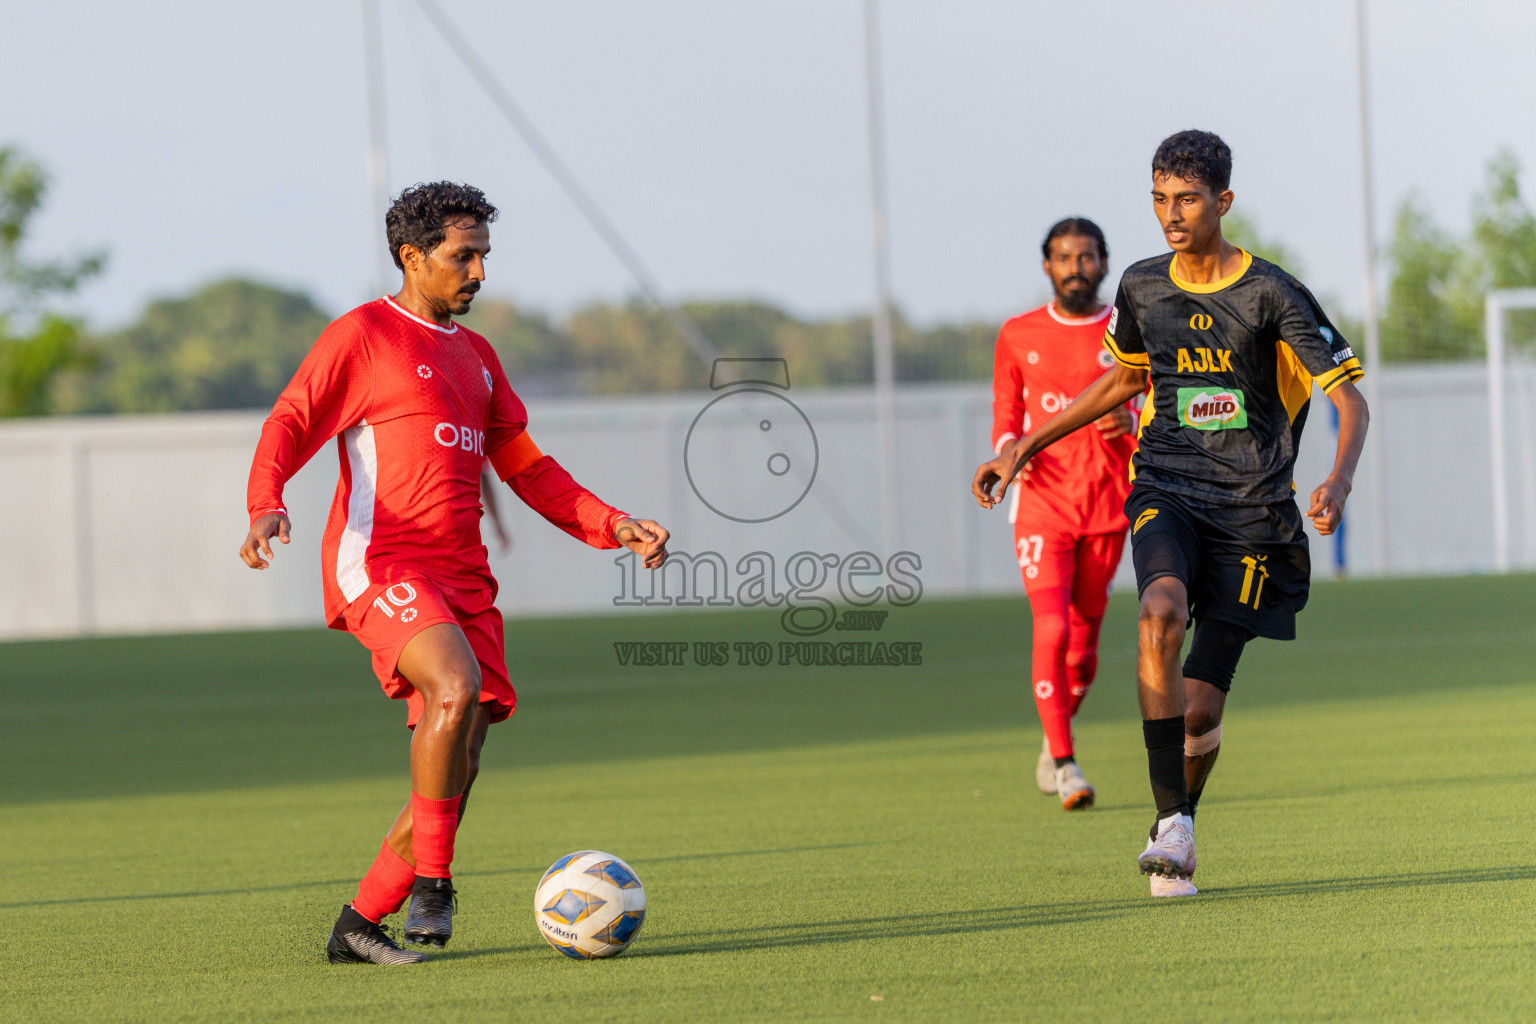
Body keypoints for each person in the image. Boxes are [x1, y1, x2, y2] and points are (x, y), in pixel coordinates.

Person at [239, 181, 669, 962]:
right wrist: (266, 500)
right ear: (413, 256)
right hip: (383, 561)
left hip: (463, 577)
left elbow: (529, 469)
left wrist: (613, 523)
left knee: (456, 762)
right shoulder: (365, 334)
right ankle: (434, 886)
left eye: (483, 257)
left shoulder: (478, 359)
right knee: (455, 686)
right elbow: (292, 417)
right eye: (461, 256)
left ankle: (357, 926)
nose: (477, 273)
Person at [972, 130, 1367, 897]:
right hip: (1167, 488)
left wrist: (1339, 480)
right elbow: (1121, 383)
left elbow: (1348, 398)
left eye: (1187, 199)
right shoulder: (1143, 286)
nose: (1171, 214)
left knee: (1201, 708)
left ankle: (1182, 814)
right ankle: (1171, 826)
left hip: (1255, 512)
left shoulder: (1273, 294)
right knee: (1158, 612)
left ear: (1222, 200)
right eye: (1159, 198)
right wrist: (1021, 447)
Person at [990, 217, 1137, 810]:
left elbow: (1152, 404)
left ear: (1103, 262)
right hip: (1044, 506)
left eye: (1086, 257)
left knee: (1083, 648)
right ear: (1046, 265)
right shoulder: (1017, 334)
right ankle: (1068, 762)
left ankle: (1054, 742)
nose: (1075, 267)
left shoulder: (1130, 330)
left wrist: (1130, 421)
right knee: (1049, 628)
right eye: (1063, 257)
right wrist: (1008, 455)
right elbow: (1007, 414)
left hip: (1107, 506)